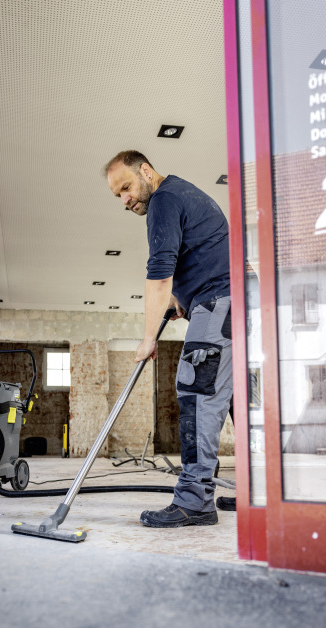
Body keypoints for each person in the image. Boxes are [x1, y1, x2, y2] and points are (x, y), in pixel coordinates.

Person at [104, 150, 233, 527]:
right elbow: (202, 254)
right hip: (237, 302)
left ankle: (194, 500)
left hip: (220, 303)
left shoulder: (163, 199)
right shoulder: (184, 193)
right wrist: (183, 299)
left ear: (146, 171)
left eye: (126, 187)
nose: (125, 199)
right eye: (118, 196)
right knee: (237, 400)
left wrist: (147, 338)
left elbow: (159, 273)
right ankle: (259, 493)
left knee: (195, 392)